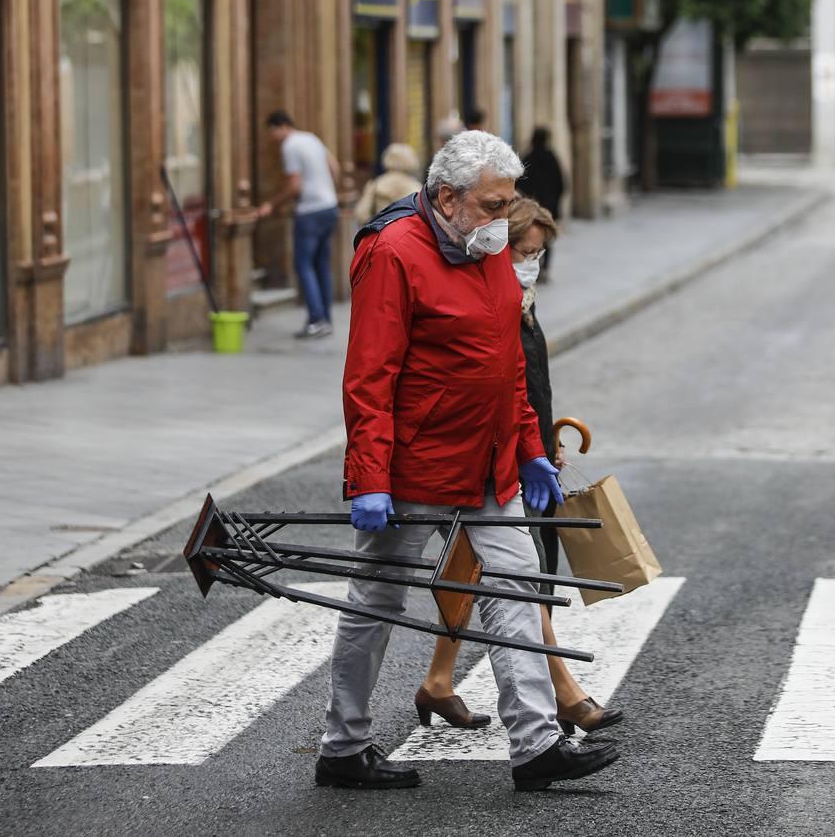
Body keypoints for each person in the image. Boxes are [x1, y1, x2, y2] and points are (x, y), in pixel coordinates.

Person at [318, 130, 619, 792]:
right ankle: (343, 747)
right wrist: (368, 477)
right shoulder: (394, 252)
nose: (501, 218)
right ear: (447, 198)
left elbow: (507, 363)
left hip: (489, 460)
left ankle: (537, 746)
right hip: (417, 464)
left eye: (508, 202)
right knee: (377, 598)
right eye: (490, 204)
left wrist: (532, 449)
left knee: (515, 586)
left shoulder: (488, 248)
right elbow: (369, 375)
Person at [415, 196, 623, 739]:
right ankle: (567, 695)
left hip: (521, 458)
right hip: (486, 462)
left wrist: (541, 447)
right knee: (517, 578)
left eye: (538, 253)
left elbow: (529, 387)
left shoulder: (521, 300)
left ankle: (438, 681)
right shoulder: (488, 303)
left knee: (473, 569)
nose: (530, 262)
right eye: (524, 251)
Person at [258, 110, 341, 338]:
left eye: (272, 132)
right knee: (322, 265)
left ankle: (316, 319)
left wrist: (271, 205)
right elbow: (335, 168)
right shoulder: (312, 138)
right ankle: (326, 318)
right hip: (329, 206)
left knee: (303, 265)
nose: (272, 138)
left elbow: (294, 185)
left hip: (310, 212)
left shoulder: (290, 146)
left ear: (281, 127)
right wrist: (325, 189)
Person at [515, 128, 564, 282]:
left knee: (530, 238)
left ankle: (532, 265)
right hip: (548, 207)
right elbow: (561, 184)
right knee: (546, 239)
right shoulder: (551, 158)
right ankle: (545, 268)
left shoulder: (527, 158)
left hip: (530, 207)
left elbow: (518, 184)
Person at [354, 143, 422, 223]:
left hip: (381, 230)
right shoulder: (415, 186)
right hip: (406, 231)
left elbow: (361, 213)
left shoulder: (376, 184)